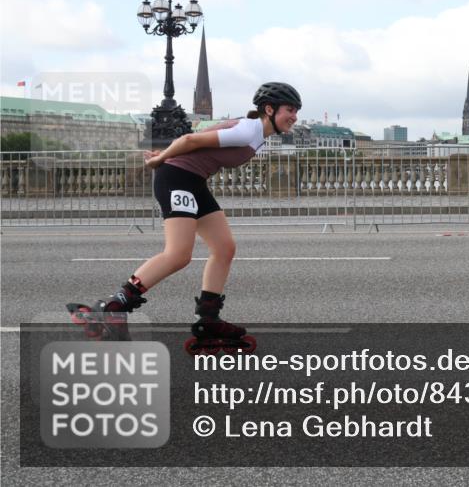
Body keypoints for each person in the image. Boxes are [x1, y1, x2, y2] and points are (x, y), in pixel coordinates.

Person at [74, 82, 301, 344]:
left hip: (193, 180)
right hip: (177, 178)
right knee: (178, 254)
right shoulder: (248, 130)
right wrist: (162, 160)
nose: (294, 117)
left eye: (296, 111)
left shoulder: (259, 136)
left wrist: (168, 153)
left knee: (224, 248)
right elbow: (191, 139)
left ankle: (209, 319)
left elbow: (196, 142)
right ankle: (112, 308)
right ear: (269, 109)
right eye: (290, 110)